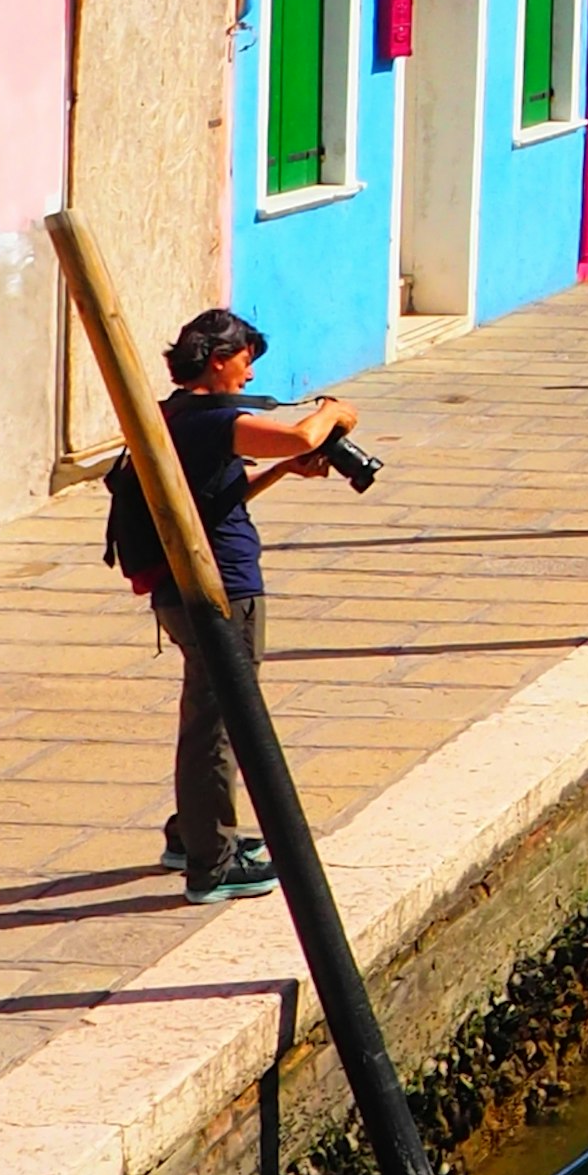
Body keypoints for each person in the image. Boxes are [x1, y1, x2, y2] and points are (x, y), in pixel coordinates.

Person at [113, 307, 366, 899]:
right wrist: (333, 410)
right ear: (221, 360)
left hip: (187, 587)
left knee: (205, 713)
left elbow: (209, 496)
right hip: (219, 590)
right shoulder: (212, 420)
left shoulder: (174, 416)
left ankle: (192, 837)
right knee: (218, 723)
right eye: (246, 363)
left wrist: (282, 475)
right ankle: (213, 864)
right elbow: (303, 433)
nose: (250, 379)